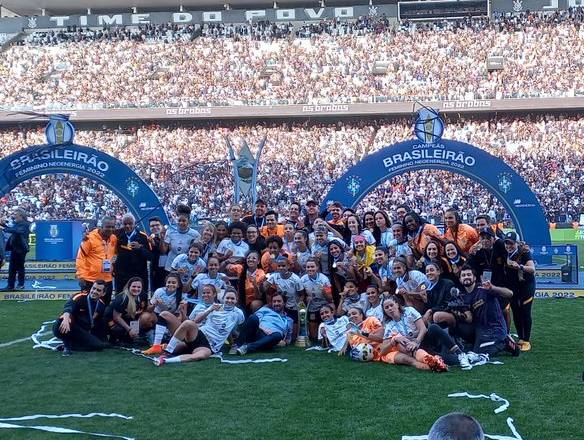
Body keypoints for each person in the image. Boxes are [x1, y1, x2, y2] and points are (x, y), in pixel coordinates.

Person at [154, 289, 244, 365]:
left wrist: (232, 343)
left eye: (232, 298)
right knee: (185, 322)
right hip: (198, 335)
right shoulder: (216, 307)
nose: (229, 300)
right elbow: (196, 320)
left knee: (201, 355)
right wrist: (209, 310)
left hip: (210, 346)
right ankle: (163, 350)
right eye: (227, 298)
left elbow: (231, 329)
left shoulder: (238, 313)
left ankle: (165, 360)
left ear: (236, 300)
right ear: (223, 298)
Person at [458, 266, 520, 357]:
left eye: (469, 274)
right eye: (463, 275)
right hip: (480, 329)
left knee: (480, 353)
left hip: (495, 328)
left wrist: (492, 288)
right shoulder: (462, 296)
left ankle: (505, 343)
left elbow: (509, 294)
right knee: (474, 351)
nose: (466, 277)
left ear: (474, 277)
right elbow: (469, 318)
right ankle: (477, 342)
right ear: (460, 279)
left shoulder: (484, 288)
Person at [380, 295, 450, 371]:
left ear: (397, 304)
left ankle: (458, 352)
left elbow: (423, 329)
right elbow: (383, 351)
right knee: (448, 360)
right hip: (415, 349)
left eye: (391, 305)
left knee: (433, 327)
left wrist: (416, 342)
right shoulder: (389, 326)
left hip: (424, 339)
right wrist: (393, 340)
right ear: (384, 311)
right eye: (386, 307)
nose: (390, 308)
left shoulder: (409, 311)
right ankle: (437, 363)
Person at [53, 280, 108, 356]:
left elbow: (98, 322)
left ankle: (71, 346)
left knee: (99, 346)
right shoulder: (80, 297)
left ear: (103, 293)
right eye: (94, 288)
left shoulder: (101, 305)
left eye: (98, 290)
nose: (94, 291)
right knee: (62, 320)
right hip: (69, 326)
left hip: (81, 331)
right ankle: (66, 346)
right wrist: (65, 320)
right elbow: (68, 308)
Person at [502, 232, 536, 351]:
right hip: (513, 287)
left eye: (511, 243)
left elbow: (532, 269)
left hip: (526, 286)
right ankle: (520, 338)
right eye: (506, 243)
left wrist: (520, 267)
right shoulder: (503, 252)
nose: (508, 246)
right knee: (516, 311)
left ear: (517, 243)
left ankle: (526, 340)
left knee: (525, 312)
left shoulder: (524, 252)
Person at [75, 216, 117, 305]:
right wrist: (81, 276)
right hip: (90, 280)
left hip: (107, 280)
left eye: (113, 227)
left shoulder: (113, 238)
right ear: (101, 227)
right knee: (87, 307)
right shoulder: (89, 239)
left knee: (105, 306)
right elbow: (80, 258)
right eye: (108, 227)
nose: (110, 229)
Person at [142, 272, 184, 355]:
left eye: (173, 283)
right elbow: (149, 310)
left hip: (170, 318)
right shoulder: (159, 291)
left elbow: (180, 316)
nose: (170, 284)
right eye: (168, 282)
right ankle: (150, 336)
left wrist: (182, 309)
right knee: (145, 317)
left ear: (178, 285)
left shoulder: (181, 295)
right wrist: (155, 303)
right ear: (165, 283)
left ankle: (159, 341)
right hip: (156, 315)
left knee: (166, 315)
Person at [113, 213, 152, 294]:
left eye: (130, 223)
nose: (127, 226)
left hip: (139, 275)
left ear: (135, 224)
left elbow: (150, 256)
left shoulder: (143, 236)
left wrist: (140, 248)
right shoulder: (116, 235)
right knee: (121, 299)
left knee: (140, 300)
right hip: (121, 275)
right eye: (125, 224)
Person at [104, 277, 149, 345]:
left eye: (139, 287)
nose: (136, 289)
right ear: (129, 286)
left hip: (127, 318)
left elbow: (143, 311)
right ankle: (115, 339)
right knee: (120, 330)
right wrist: (129, 330)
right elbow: (116, 318)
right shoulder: (122, 298)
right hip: (111, 320)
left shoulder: (143, 296)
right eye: (134, 286)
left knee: (147, 320)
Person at [161, 204, 201, 274]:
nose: (181, 223)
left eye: (184, 221)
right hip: (170, 264)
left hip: (185, 266)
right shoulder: (170, 231)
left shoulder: (195, 234)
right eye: (179, 220)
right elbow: (164, 250)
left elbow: (195, 252)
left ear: (188, 221)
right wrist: (162, 237)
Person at [300, 257, 333, 340]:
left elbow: (330, 299)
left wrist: (324, 292)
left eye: (312, 267)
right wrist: (306, 298)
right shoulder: (303, 279)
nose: (310, 269)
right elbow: (301, 296)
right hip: (312, 306)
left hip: (324, 305)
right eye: (308, 267)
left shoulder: (324, 279)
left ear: (317, 267)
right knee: (314, 337)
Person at [0, 208, 31, 291]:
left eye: (15, 214)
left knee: (20, 267)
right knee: (12, 268)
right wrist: (3, 225)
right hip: (15, 248)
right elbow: (13, 229)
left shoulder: (25, 224)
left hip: (21, 249)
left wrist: (4, 228)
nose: (14, 216)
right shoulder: (18, 223)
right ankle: (10, 286)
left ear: (20, 215)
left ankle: (21, 284)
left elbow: (16, 231)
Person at [148, 216, 168, 291]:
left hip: (169, 269)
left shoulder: (169, 237)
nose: (155, 227)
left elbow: (164, 251)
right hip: (156, 271)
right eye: (152, 226)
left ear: (162, 226)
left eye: (157, 225)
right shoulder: (149, 239)